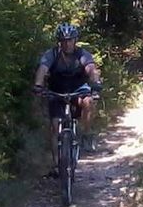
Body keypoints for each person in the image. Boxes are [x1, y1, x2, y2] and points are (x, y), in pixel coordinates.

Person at [33, 23, 103, 175]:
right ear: (59, 41)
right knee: (54, 126)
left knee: (89, 102)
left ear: (75, 40)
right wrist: (38, 85)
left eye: (70, 40)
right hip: (56, 90)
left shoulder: (82, 54)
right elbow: (42, 69)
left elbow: (91, 69)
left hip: (78, 88)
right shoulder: (51, 54)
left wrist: (96, 83)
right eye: (63, 40)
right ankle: (57, 164)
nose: (67, 43)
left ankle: (86, 134)